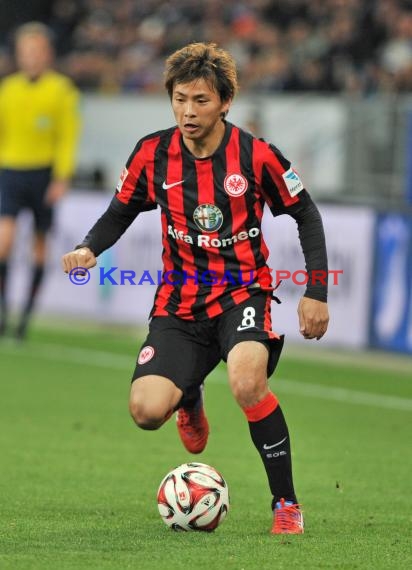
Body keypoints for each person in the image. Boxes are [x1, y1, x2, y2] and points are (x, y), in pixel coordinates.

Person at [62, 42, 329, 534]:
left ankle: (286, 504)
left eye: (200, 100)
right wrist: (88, 248)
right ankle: (189, 397)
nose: (188, 110)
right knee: (144, 412)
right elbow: (122, 209)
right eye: (180, 99)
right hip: (179, 303)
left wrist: (317, 290)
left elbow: (305, 213)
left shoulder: (256, 155)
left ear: (225, 102)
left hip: (242, 293)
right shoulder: (152, 152)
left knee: (248, 383)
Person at [0, 22, 80, 339]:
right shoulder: (8, 89)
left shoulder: (62, 90)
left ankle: (24, 320)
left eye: (36, 51)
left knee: (39, 244)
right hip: (10, 171)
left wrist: (62, 176)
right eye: (25, 52)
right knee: (3, 242)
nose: (31, 57)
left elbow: (67, 137)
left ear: (47, 54)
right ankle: (5, 312)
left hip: (43, 174)